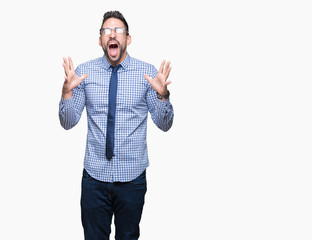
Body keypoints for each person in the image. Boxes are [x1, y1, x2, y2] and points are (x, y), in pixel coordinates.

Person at [59, 10, 174, 240]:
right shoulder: (83, 73)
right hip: (94, 178)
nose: (113, 34)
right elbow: (67, 122)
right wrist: (66, 92)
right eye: (107, 31)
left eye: (119, 30)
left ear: (127, 39)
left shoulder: (148, 73)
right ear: (100, 39)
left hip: (132, 178)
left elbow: (164, 125)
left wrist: (163, 97)